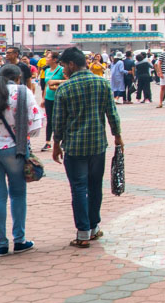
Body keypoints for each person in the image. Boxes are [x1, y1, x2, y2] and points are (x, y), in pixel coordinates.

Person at [51, 47, 123, 248]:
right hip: (98, 146)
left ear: (72, 64)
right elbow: (112, 113)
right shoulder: (102, 83)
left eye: (64, 65)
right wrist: (118, 136)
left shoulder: (65, 89)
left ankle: (83, 233)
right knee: (95, 186)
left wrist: (56, 144)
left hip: (74, 148)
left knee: (78, 188)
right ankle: (93, 227)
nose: (63, 70)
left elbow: (58, 122)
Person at [0, 64, 43, 256]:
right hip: (13, 151)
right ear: (18, 78)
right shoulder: (22, 92)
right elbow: (35, 126)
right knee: (18, 194)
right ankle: (19, 240)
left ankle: (1, 243)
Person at [41, 55, 65, 150]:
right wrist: (43, 98)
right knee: (49, 120)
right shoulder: (46, 70)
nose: (46, 59)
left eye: (48, 58)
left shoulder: (61, 70)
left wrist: (56, 82)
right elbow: (46, 85)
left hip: (59, 98)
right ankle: (48, 142)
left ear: (55, 59)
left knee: (60, 119)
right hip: (48, 98)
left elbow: (68, 81)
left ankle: (60, 140)